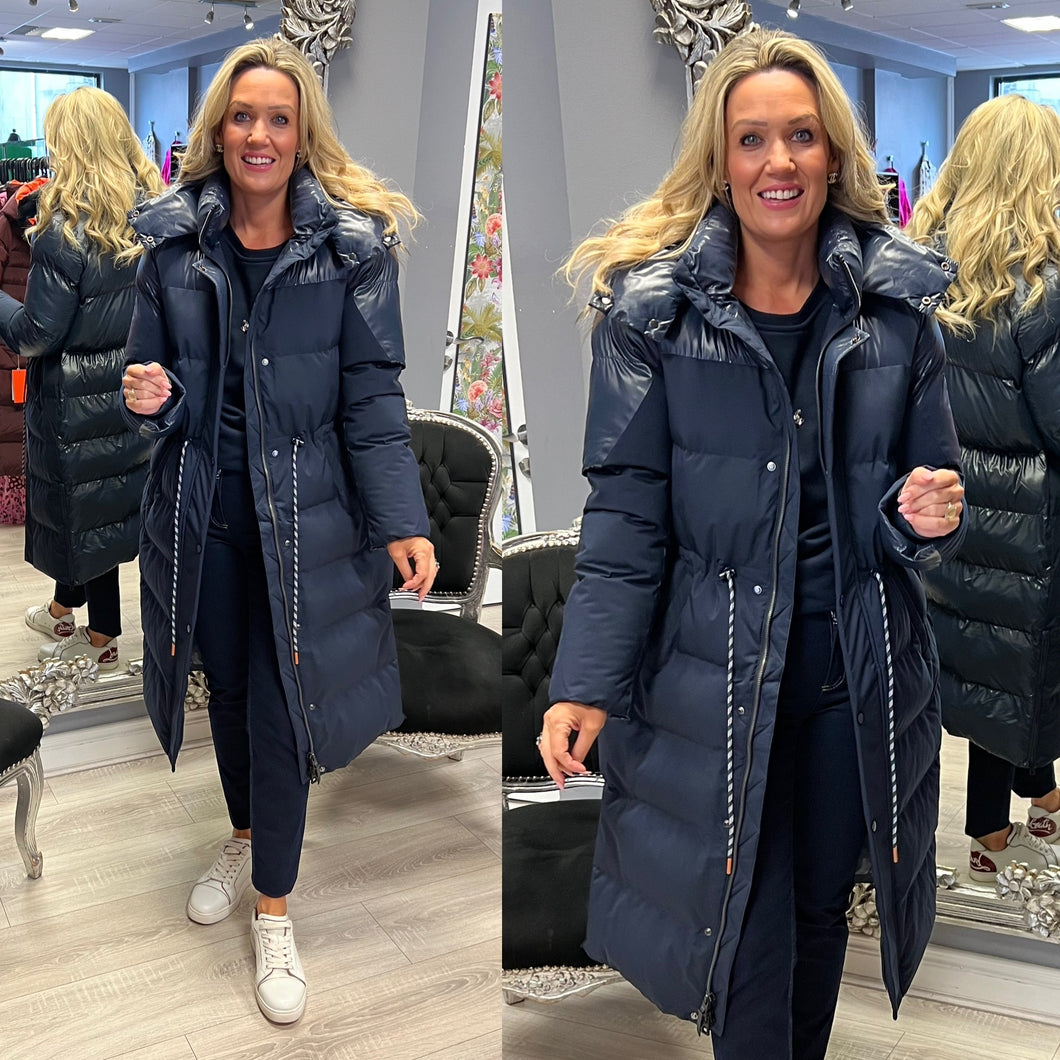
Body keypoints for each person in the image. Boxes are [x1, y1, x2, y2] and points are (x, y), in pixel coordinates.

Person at [541, 28, 966, 1060]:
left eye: (801, 136)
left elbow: (923, 498)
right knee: (744, 944)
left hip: (853, 682)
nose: (779, 161)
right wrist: (583, 682)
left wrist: (918, 518)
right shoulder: (653, 319)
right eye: (753, 139)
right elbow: (627, 520)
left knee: (819, 919)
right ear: (721, 161)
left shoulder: (897, 317)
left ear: (833, 153)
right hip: (714, 683)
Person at [120, 38, 436, 1025]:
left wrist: (402, 520)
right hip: (201, 514)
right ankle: (246, 833)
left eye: (279, 118)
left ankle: (274, 907)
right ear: (220, 129)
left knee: (280, 711)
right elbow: (152, 382)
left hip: (306, 522)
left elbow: (371, 401)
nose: (259, 134)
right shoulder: (173, 248)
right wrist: (151, 400)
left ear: (303, 136)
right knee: (228, 692)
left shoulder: (350, 252)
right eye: (243, 116)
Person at [907, 95, 1060, 885]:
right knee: (1020, 670)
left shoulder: (920, 276)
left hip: (951, 507)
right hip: (1032, 521)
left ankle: (1033, 796)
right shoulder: (1042, 289)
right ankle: (992, 837)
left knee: (985, 664)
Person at [0, 88, 161, 667]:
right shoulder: (152, 215)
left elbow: (35, 333)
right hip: (131, 388)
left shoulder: (67, 228)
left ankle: (102, 640)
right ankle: (64, 608)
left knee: (86, 514)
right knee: (102, 508)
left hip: (73, 399)